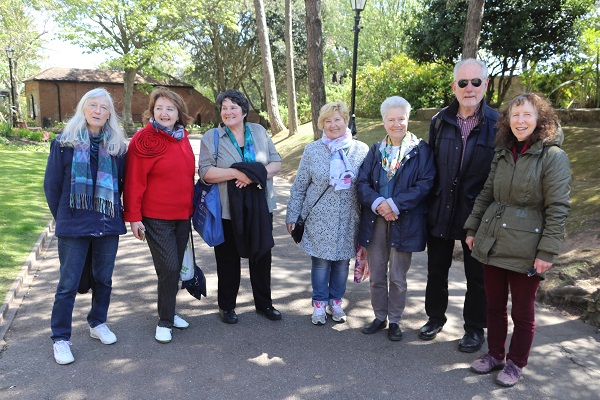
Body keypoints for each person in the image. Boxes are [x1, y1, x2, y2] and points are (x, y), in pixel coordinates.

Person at [465, 93, 571, 387]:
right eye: (515, 115)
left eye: (526, 115)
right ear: (507, 121)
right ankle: (495, 354)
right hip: (494, 240)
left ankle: (515, 363)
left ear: (540, 119)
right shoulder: (502, 152)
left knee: (522, 312)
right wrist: (473, 228)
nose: (520, 121)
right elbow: (487, 193)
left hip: (528, 247)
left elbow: (558, 207)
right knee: (493, 306)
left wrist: (548, 251)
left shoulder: (553, 156)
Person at [420, 58, 499, 352]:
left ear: (485, 85)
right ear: (454, 86)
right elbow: (429, 167)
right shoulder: (440, 121)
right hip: (441, 208)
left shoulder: (498, 123)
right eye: (463, 83)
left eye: (475, 82)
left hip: (477, 213)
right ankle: (435, 318)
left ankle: (474, 328)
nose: (469, 88)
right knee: (436, 271)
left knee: (476, 276)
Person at [44, 88, 128, 365]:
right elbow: (52, 186)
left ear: (109, 114)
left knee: (104, 279)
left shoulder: (116, 146)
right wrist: (64, 217)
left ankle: (97, 323)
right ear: (83, 108)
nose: (98, 111)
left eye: (104, 108)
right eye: (93, 105)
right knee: (67, 284)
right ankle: (60, 338)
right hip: (73, 225)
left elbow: (122, 185)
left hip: (107, 223)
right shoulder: (64, 143)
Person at [198, 89, 282, 324]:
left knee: (262, 257)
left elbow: (277, 163)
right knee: (227, 261)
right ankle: (227, 306)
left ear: (244, 111)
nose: (228, 112)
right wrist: (238, 172)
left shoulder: (259, 132)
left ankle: (264, 304)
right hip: (226, 210)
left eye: (233, 107)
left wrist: (253, 175)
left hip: (261, 208)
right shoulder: (212, 137)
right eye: (224, 108)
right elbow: (206, 172)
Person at [356, 96, 435, 341]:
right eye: (391, 119)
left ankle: (396, 321)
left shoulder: (421, 150)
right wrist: (379, 203)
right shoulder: (375, 150)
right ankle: (380, 317)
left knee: (398, 277)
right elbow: (362, 182)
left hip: (405, 221)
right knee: (378, 274)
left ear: (408, 119)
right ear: (383, 122)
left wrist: (395, 204)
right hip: (376, 220)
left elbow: (425, 184)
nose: (396, 124)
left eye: (401, 118)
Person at [286, 101, 369, 325]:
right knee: (321, 263)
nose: (333, 125)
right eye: (327, 121)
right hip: (318, 218)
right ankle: (319, 305)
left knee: (342, 263)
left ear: (345, 121)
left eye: (337, 119)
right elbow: (300, 185)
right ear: (322, 124)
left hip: (348, 217)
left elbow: (368, 186)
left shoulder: (361, 150)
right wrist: (292, 215)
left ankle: (336, 302)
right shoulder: (313, 150)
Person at [124, 88, 195, 343]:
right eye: (159, 108)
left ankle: (170, 310)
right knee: (169, 266)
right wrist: (133, 217)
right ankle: (164, 321)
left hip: (182, 216)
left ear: (178, 113)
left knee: (173, 268)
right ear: (152, 111)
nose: (164, 113)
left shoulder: (182, 137)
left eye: (170, 109)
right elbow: (133, 180)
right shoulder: (144, 139)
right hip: (156, 217)